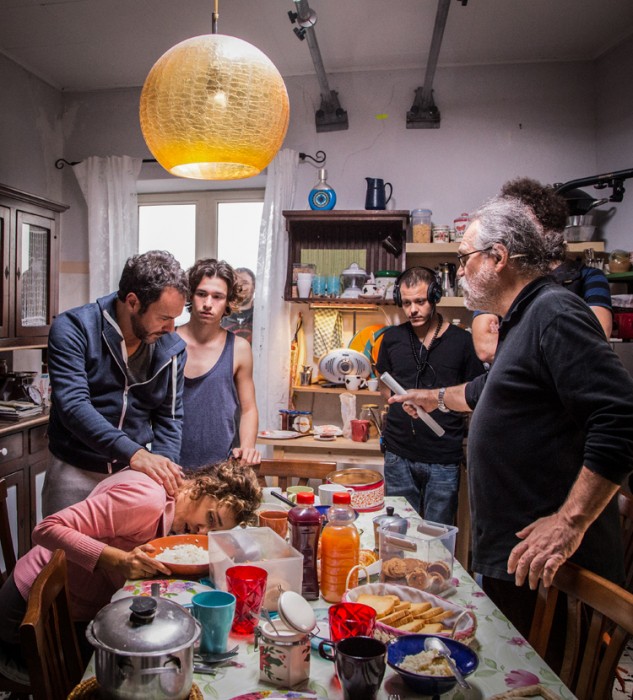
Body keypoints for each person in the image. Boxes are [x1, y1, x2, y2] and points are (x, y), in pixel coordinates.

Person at [389, 197, 633, 638]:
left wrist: (569, 522)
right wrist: (431, 397)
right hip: (519, 560)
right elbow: (485, 392)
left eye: (464, 259)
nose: (460, 271)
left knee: (546, 672)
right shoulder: (520, 320)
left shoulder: (554, 312)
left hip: (552, 566)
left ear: (497, 257)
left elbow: (620, 417)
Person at [0, 459, 262, 665]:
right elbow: (46, 529)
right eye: (211, 518)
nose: (203, 532)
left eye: (214, 531)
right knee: (136, 667)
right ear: (202, 486)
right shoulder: (146, 500)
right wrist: (119, 561)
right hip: (32, 615)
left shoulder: (172, 502)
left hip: (75, 609)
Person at [42, 250, 189, 517]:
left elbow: (169, 418)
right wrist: (135, 453)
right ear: (133, 302)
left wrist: (164, 471)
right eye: (164, 318)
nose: (171, 329)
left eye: (175, 319)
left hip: (132, 475)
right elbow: (73, 406)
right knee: (63, 544)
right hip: (74, 470)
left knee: (135, 547)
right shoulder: (74, 328)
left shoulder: (172, 349)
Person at [376, 267, 484, 525]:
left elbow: (475, 395)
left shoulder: (462, 342)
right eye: (406, 303)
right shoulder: (391, 338)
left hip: (443, 458)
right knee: (399, 534)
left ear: (435, 296)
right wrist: (398, 399)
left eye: (420, 301)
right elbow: (383, 384)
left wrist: (439, 403)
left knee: (438, 536)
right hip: (398, 454)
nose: (413, 310)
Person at [472, 177, 613, 363]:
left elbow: (595, 340)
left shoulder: (590, 277)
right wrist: (556, 339)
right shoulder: (497, 278)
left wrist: (509, 339)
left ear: (546, 227)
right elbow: (486, 348)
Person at [178, 259, 260, 468]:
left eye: (217, 297)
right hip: (170, 466)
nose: (208, 303)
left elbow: (248, 408)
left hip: (221, 468)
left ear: (228, 302)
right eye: (201, 294)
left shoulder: (239, 348)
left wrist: (247, 448)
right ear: (190, 295)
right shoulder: (168, 341)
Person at [221, 267, 256, 344]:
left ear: (254, 287)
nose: (240, 287)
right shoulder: (221, 315)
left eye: (245, 283)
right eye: (236, 283)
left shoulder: (262, 315)